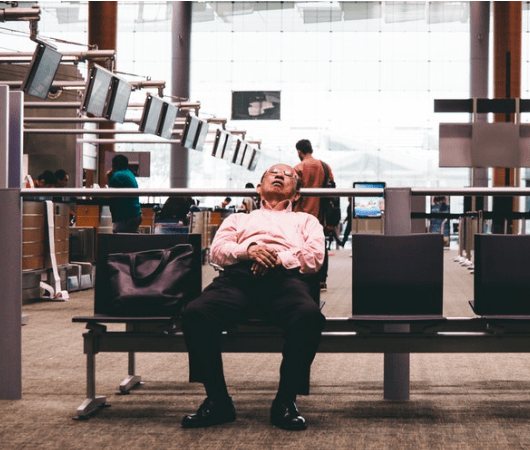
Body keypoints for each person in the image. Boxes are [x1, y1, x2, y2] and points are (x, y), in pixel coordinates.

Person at [181, 163, 326, 431]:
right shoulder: (238, 219)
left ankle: (285, 401)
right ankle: (218, 400)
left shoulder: (306, 221)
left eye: (288, 175)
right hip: (239, 279)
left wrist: (275, 258)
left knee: (309, 317)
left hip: (286, 280)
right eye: (274, 173)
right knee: (195, 313)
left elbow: (314, 257)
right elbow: (218, 251)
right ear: (259, 188)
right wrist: (250, 251)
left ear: (295, 195)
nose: (281, 175)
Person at [293, 139, 335, 290]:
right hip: (321, 215)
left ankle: (304, 278)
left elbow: (292, 191)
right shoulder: (325, 166)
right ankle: (322, 280)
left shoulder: (298, 168)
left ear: (299, 151)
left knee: (302, 246)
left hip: (301, 214)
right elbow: (332, 188)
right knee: (320, 245)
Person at [106, 154, 142, 233]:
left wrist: (109, 176)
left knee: (119, 241)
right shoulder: (129, 173)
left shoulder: (117, 176)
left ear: (114, 165)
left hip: (125, 216)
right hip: (135, 214)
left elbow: (109, 194)